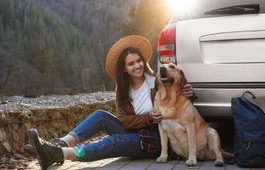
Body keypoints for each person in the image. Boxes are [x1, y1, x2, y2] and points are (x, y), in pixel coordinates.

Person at [27, 35, 195, 170]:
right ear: (124, 69)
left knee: (115, 141)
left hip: (157, 139)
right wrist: (149, 117)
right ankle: (59, 144)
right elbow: (124, 120)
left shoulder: (156, 81)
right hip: (134, 130)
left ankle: (60, 154)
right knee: (100, 115)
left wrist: (190, 93)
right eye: (131, 64)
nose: (137, 66)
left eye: (139, 61)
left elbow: (178, 86)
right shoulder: (122, 90)